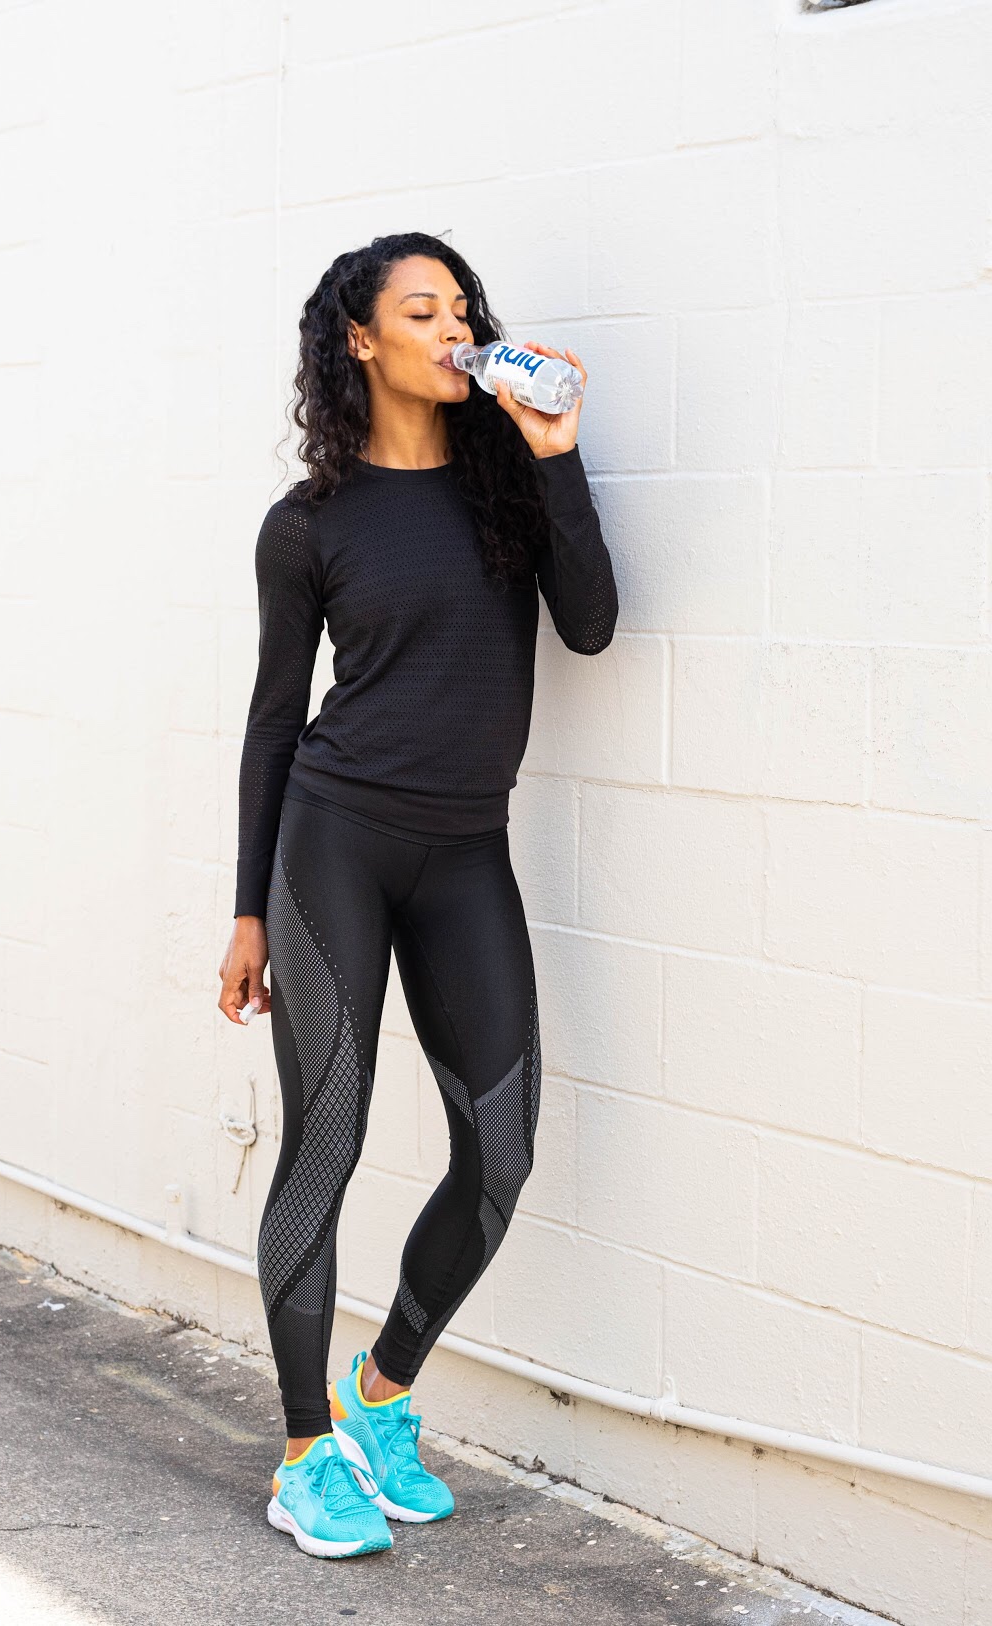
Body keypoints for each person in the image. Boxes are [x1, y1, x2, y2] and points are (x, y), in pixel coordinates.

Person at [215, 231, 618, 1560]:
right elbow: (274, 723)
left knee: (500, 1155)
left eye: (465, 309)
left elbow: (592, 624)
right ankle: (301, 1456)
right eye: (423, 310)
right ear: (361, 341)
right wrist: (247, 908)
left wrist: (556, 456)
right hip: (333, 844)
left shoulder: (506, 480)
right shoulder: (307, 527)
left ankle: (379, 1392)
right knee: (324, 1144)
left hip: (466, 852)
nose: (455, 330)